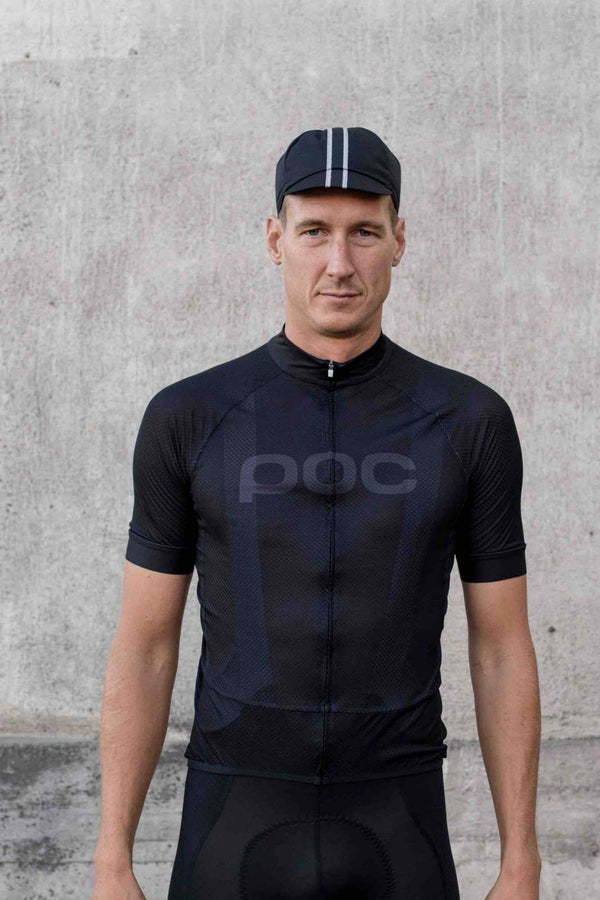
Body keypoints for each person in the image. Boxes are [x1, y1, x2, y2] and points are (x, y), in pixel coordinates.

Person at [93, 126, 542, 900]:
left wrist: (520, 863)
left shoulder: (467, 421)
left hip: (398, 822)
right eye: (314, 232)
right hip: (233, 821)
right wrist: (111, 862)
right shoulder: (190, 418)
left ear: (398, 241)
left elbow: (501, 647)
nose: (339, 263)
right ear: (276, 240)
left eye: (363, 232)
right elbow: (145, 645)